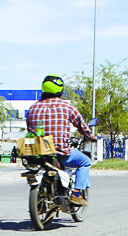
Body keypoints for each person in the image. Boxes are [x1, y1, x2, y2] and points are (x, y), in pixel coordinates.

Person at [26, 74, 96, 206]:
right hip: (60, 152)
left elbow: (30, 129)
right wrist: (91, 137)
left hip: (37, 152)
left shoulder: (33, 108)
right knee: (85, 162)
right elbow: (81, 125)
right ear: (60, 90)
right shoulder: (66, 106)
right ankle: (76, 194)